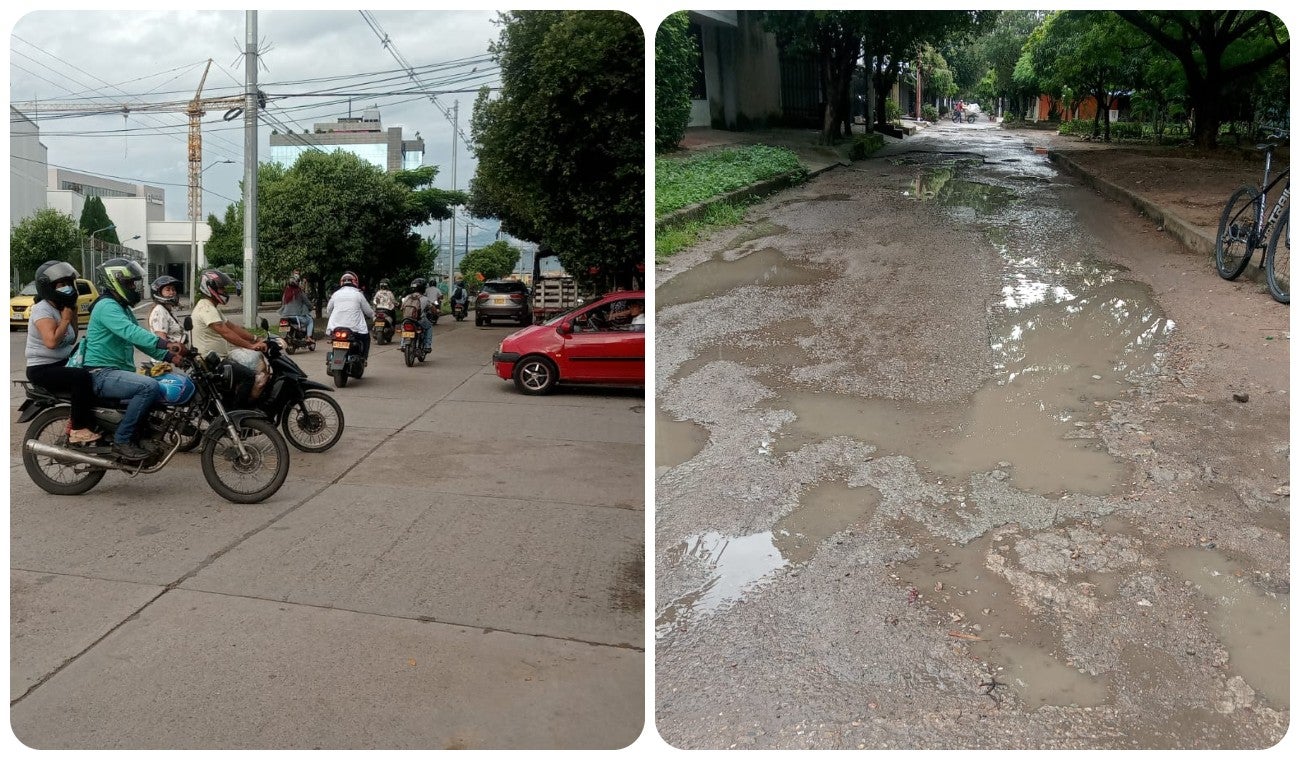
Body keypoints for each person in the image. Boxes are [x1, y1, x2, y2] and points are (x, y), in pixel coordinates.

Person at [80, 258, 185, 460]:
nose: (133, 288)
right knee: (148, 387)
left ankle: (141, 435)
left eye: (134, 283)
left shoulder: (123, 308)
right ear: (115, 281)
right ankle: (122, 441)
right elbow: (131, 332)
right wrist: (165, 344)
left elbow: (141, 343)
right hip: (101, 372)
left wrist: (171, 357)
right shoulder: (106, 306)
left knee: (158, 388)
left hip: (117, 371)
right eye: (129, 283)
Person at [24, 260, 101, 444]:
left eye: (68, 283)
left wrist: (71, 314)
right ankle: (77, 429)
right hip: (42, 368)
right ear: (48, 287)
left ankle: (92, 422)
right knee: (80, 378)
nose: (67, 288)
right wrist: (65, 320)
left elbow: (70, 339)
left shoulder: (61, 308)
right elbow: (51, 342)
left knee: (97, 370)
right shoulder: (42, 309)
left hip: (60, 362)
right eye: (61, 284)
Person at [192, 269, 270, 401]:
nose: (224, 291)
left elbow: (232, 327)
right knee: (249, 376)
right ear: (210, 288)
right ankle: (239, 413)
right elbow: (226, 332)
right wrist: (251, 346)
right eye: (221, 288)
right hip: (210, 362)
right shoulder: (206, 308)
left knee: (254, 363)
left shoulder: (211, 307)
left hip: (218, 358)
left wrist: (256, 339)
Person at [325, 270, 374, 360]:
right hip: (354, 329)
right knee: (366, 338)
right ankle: (364, 358)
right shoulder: (358, 294)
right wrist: (373, 316)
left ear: (341, 282)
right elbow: (369, 312)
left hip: (335, 328)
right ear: (355, 282)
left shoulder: (335, 294)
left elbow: (328, 310)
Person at [279, 271, 315, 346]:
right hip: (296, 316)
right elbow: (307, 302)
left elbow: (283, 303)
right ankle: (308, 337)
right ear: (298, 282)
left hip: (285, 316)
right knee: (310, 320)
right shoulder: (300, 292)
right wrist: (312, 307)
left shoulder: (286, 292)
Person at [399, 278, 434, 354]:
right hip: (419, 320)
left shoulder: (407, 297)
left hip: (406, 319)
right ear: (423, 288)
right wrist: (437, 311)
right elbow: (432, 308)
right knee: (429, 327)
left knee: (404, 328)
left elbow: (401, 308)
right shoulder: (425, 299)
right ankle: (427, 346)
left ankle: (403, 345)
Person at [147, 275, 185, 344]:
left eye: (173, 289)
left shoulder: (168, 310)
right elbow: (162, 340)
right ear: (159, 293)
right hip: (173, 353)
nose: (172, 292)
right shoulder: (159, 311)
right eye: (168, 290)